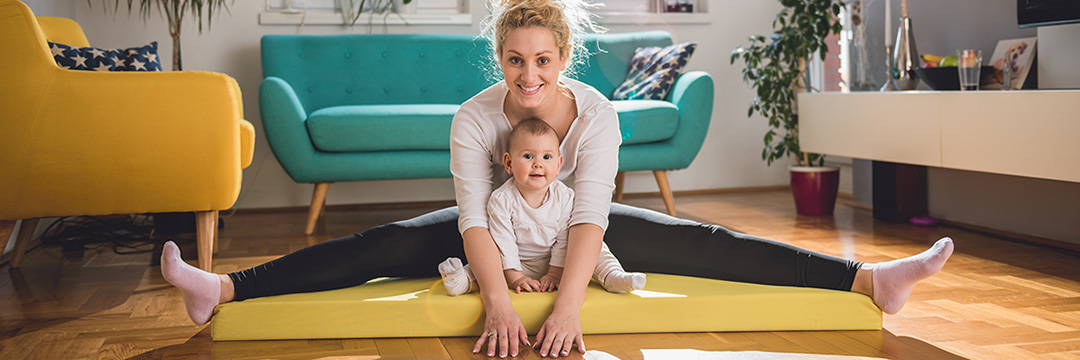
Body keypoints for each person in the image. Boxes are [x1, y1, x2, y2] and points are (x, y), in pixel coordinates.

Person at [160, 0, 955, 358]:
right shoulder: (474, 119)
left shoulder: (598, 114)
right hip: (501, 234)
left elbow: (593, 217)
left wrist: (567, 305)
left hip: (579, 230)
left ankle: (868, 281)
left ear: (563, 59)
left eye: (544, 60)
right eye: (515, 61)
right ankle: (224, 291)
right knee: (384, 240)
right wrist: (500, 302)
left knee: (707, 239)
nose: (529, 74)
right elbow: (473, 220)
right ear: (498, 60)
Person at [438, 117, 646, 297]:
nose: (538, 164)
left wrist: (555, 273)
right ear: (508, 163)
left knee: (594, 247)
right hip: (517, 261)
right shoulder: (501, 199)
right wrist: (515, 277)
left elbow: (566, 238)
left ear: (558, 164)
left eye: (547, 157)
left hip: (558, 260)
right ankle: (461, 281)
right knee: (486, 259)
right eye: (528, 156)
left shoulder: (564, 197)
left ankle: (613, 276)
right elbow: (503, 242)